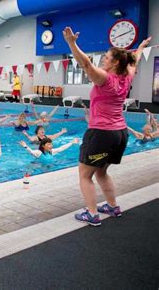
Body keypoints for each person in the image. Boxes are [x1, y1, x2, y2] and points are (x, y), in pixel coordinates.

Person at [63, 26, 151, 226]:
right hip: (120, 133)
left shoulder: (105, 79)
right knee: (101, 171)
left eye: (106, 57)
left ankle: (92, 214)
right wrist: (142, 46)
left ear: (116, 62)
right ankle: (112, 207)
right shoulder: (127, 75)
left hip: (102, 133)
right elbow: (134, 60)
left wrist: (71, 43)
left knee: (85, 176)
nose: (103, 59)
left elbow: (85, 64)